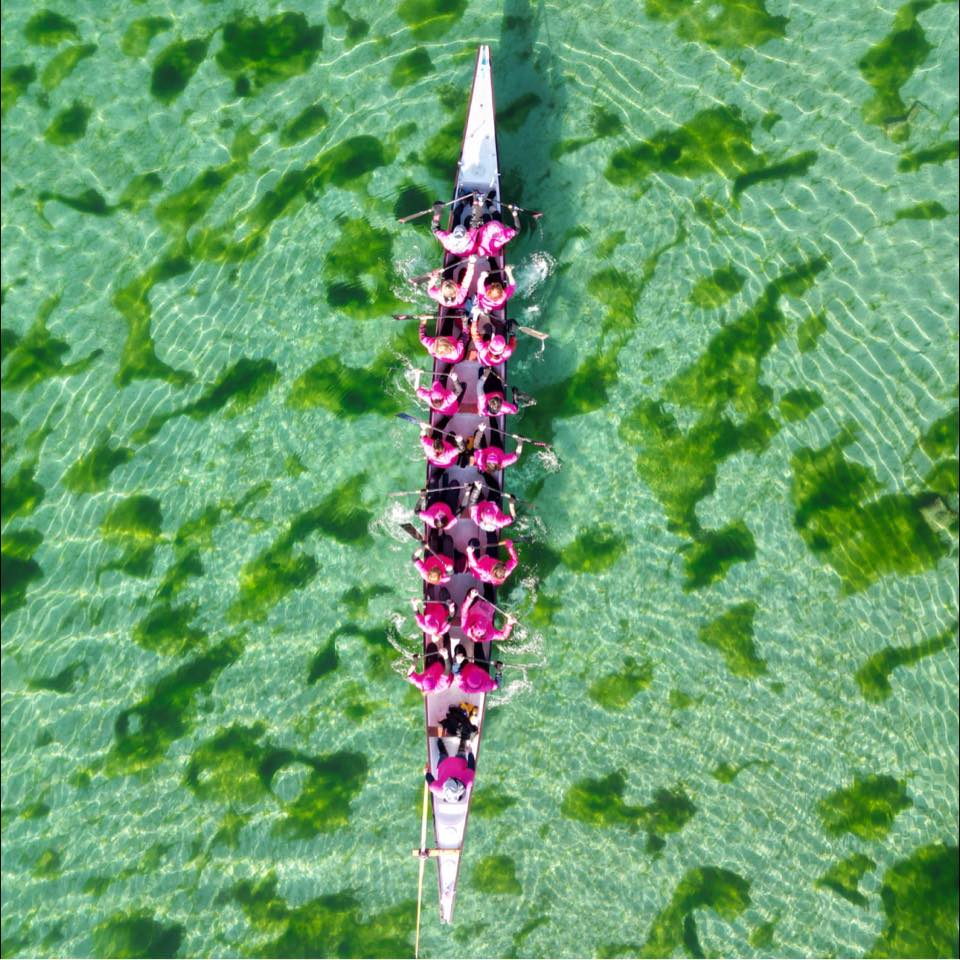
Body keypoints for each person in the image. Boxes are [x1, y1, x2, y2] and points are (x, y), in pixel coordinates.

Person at [425, 736, 475, 803]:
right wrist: (470, 752)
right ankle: (463, 739)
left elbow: (430, 782)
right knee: (461, 751)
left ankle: (439, 741)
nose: (448, 777)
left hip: (443, 763)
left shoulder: (438, 789)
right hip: (460, 761)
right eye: (452, 779)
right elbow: (471, 765)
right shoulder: (468, 781)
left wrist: (426, 773)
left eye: (447, 780)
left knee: (442, 754)